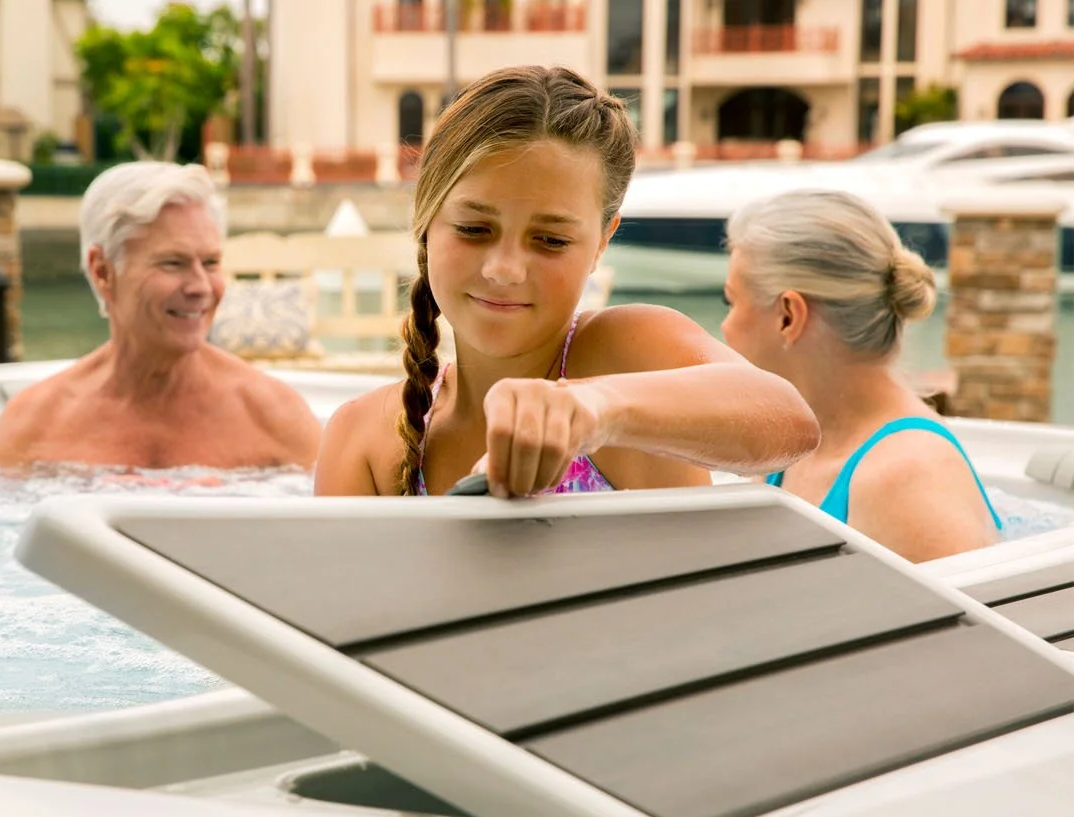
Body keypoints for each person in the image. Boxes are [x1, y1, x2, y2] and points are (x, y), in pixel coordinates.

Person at [315, 65, 819, 498]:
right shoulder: (362, 438)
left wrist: (595, 410)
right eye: (474, 230)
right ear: (425, 221)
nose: (504, 269)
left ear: (602, 242)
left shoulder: (624, 358)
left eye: (551, 241)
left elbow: (789, 423)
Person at [722, 188, 1001, 562]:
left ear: (789, 315)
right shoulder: (795, 450)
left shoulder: (908, 477)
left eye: (732, 301)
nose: (724, 327)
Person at [0, 161, 321, 472]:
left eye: (210, 263)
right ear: (102, 271)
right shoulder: (33, 424)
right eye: (173, 263)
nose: (201, 287)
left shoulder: (275, 418)